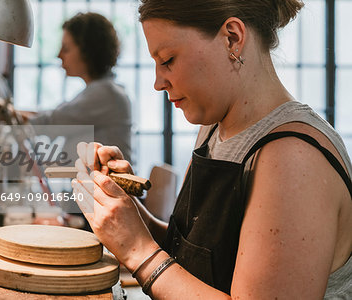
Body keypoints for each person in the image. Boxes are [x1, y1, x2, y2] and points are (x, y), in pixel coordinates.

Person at [71, 1, 352, 299]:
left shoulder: (294, 158)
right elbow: (198, 257)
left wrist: (138, 250)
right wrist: (126, 213)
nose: (157, 82)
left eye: (167, 60)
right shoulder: (214, 129)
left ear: (232, 38)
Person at [0, 12, 132, 161]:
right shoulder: (101, 91)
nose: (59, 55)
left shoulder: (104, 94)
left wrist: (0, 108)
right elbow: (52, 116)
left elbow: (47, 123)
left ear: (88, 52)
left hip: (109, 187)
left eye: (66, 49)